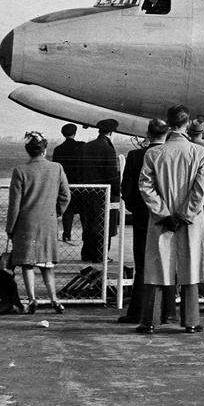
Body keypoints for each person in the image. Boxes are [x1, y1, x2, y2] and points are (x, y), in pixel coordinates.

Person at [138, 106, 204, 333]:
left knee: (157, 266)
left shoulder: (153, 154)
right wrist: (185, 214)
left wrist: (164, 213)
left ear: (169, 124)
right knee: (190, 266)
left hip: (162, 221)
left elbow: (146, 187)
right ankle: (190, 321)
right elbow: (202, 188)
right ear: (188, 123)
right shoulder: (199, 153)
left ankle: (150, 321)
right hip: (190, 221)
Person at [5, 131, 71, 314]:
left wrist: (10, 228)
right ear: (45, 149)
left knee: (28, 264)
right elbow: (66, 195)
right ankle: (55, 300)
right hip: (48, 223)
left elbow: (14, 204)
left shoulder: (20, 171)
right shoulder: (57, 168)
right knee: (47, 264)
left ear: (28, 151)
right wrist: (55, 213)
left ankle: (32, 299)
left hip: (25, 223)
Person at [118, 120, 170, 324]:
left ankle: (138, 310)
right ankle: (167, 310)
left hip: (143, 216)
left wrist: (138, 209)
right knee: (166, 262)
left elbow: (127, 191)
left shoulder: (135, 155)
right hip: (168, 217)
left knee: (142, 264)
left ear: (148, 135)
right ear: (166, 134)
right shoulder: (171, 154)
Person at [79, 118, 121, 262]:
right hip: (104, 193)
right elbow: (111, 174)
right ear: (111, 132)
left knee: (89, 223)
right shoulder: (108, 149)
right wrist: (118, 190)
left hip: (87, 190)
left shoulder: (87, 146)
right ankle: (101, 254)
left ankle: (87, 253)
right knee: (105, 224)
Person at [52, 123, 84, 243]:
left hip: (65, 183)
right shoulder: (81, 146)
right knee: (83, 211)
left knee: (68, 210)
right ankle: (84, 234)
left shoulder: (58, 149)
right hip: (80, 183)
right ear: (75, 133)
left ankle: (67, 235)